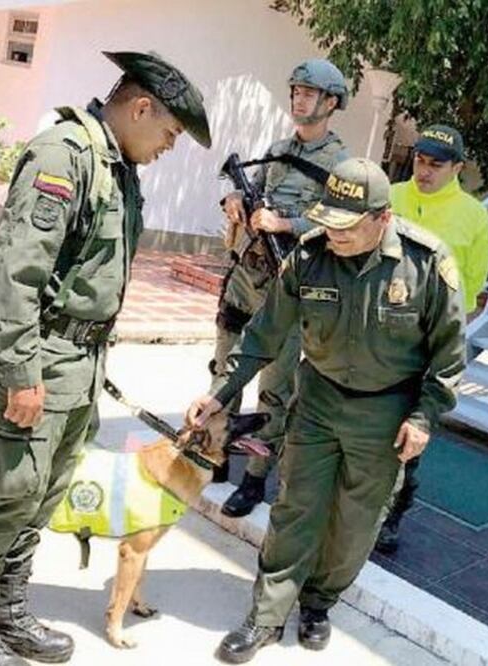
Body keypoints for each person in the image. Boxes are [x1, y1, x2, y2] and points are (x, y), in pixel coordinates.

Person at [0, 51, 211, 666]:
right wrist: (20, 373)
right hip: (36, 360)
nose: (169, 146)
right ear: (142, 108)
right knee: (7, 492)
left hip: (79, 365)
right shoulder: (65, 155)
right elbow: (14, 275)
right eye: (169, 132)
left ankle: (8, 610)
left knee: (43, 493)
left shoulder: (118, 169)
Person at [186, 158, 466, 663]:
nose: (331, 233)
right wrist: (220, 394)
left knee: (356, 522)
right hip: (317, 401)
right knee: (295, 511)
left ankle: (318, 603)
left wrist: (423, 417)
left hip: (385, 413)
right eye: (328, 220)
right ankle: (266, 617)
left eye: (345, 224)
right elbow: (262, 337)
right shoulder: (309, 257)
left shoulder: (427, 264)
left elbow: (448, 359)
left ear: (381, 218)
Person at [215, 59, 350, 518]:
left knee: (274, 390)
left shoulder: (341, 164)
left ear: (331, 102)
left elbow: (341, 219)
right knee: (224, 369)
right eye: (295, 91)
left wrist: (286, 223)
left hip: (288, 291)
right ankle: (213, 454)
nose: (299, 99)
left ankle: (253, 480)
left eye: (309, 93)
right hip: (245, 277)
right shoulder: (277, 148)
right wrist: (233, 200)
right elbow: (248, 188)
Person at [375, 123, 488, 553]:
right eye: (420, 162)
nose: (424, 172)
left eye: (436, 165)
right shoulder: (390, 195)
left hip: (425, 343)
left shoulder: (474, 217)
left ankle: (392, 513)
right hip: (374, 332)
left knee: (409, 430)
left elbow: (471, 290)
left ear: (457, 168)